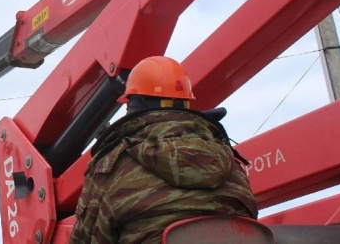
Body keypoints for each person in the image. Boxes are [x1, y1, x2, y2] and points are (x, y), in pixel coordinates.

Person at [71, 56, 257, 244]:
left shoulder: (111, 167)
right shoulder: (232, 166)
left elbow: (87, 239)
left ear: (134, 105)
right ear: (186, 102)